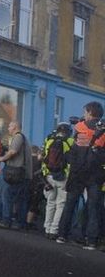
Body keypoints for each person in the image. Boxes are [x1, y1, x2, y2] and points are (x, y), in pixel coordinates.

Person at [57, 102, 105, 250]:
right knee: (93, 208)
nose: (84, 115)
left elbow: (75, 150)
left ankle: (62, 235)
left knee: (70, 204)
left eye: (85, 112)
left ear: (90, 112)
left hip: (78, 172)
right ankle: (91, 240)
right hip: (96, 173)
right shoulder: (103, 129)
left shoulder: (80, 127)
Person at [0, 121, 33, 230]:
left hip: (16, 173)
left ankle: (6, 220)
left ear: (15, 127)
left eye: (10, 126)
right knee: (21, 200)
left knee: (7, 196)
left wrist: (1, 159)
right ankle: (20, 223)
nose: (8, 128)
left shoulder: (18, 137)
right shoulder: (25, 139)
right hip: (24, 174)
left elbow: (13, 151)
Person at [41, 122, 73, 240]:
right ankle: (54, 230)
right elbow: (71, 162)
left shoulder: (49, 139)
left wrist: (45, 174)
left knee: (50, 203)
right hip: (63, 177)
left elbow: (44, 157)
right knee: (60, 204)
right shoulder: (70, 142)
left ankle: (47, 228)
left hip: (49, 175)